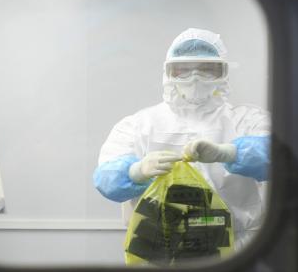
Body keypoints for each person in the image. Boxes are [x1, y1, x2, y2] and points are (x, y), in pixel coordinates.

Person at [93, 28, 270, 247]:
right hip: (160, 248)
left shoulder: (246, 120)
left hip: (236, 248)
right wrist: (136, 171)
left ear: (223, 72)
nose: (195, 78)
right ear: (169, 73)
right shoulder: (140, 125)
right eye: (183, 70)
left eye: (207, 70)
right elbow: (106, 181)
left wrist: (230, 153)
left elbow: (279, 158)